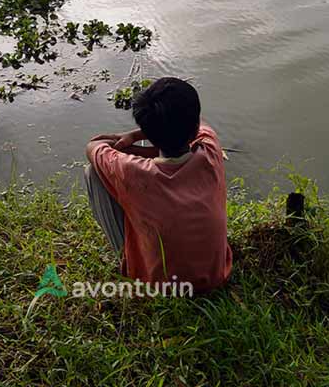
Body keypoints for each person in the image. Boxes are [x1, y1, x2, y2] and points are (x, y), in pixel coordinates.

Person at [85, 76, 232, 294]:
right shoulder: (211, 153)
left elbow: (93, 145)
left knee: (92, 173)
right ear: (192, 129)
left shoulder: (132, 171)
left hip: (157, 287)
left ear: (150, 131)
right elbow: (201, 127)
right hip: (215, 276)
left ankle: (126, 259)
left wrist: (131, 139)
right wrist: (142, 136)